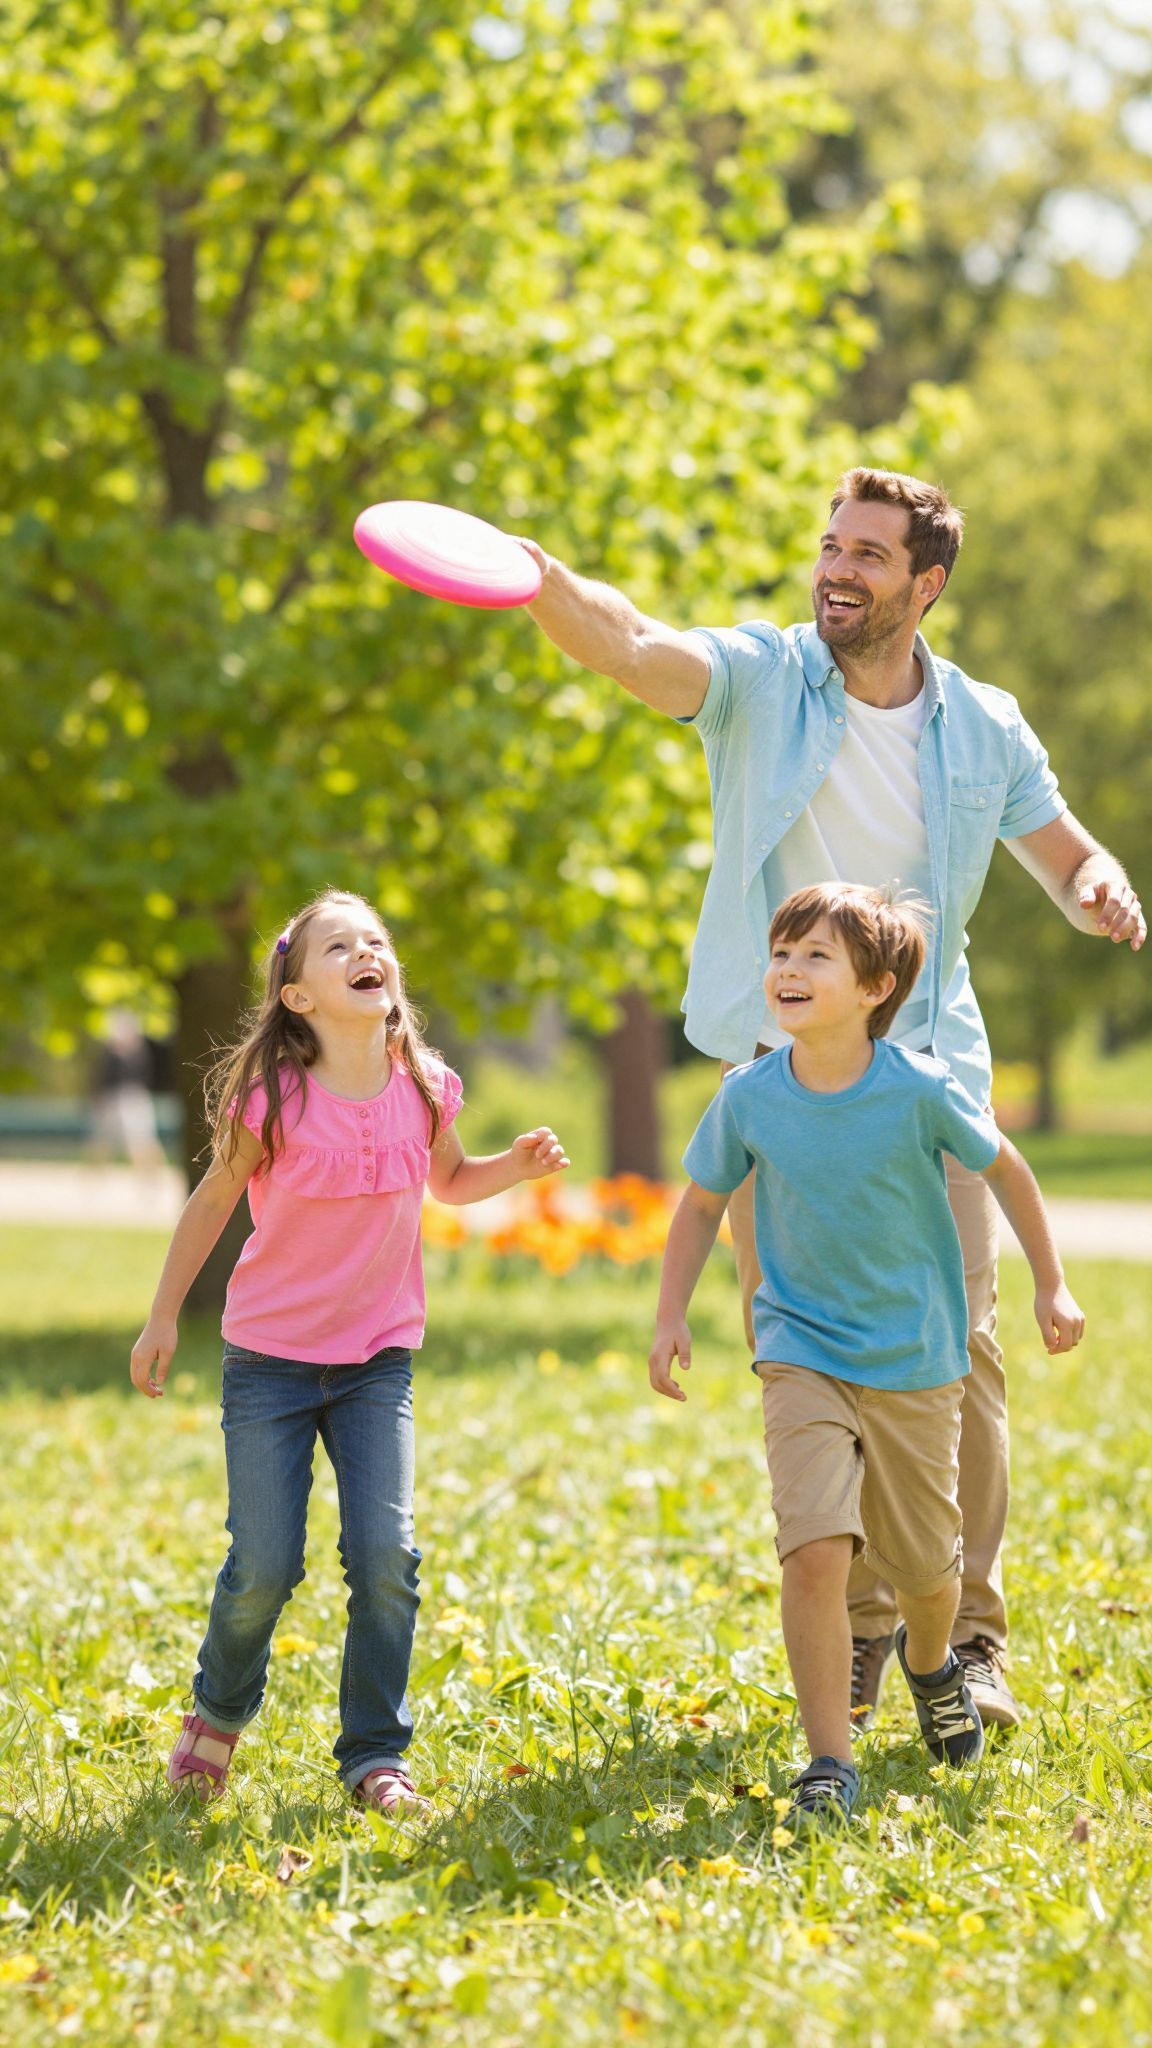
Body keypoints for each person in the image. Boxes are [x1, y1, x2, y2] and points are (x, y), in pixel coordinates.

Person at [517, 468, 1144, 1730]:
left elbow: (1066, 848)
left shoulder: (982, 724)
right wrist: (531, 575)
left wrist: (1101, 888)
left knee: (958, 1361)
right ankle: (861, 1632)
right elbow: (635, 645)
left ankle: (964, 1636)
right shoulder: (760, 679)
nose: (838, 567)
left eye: (869, 552)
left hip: (930, 1081)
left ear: (927, 583)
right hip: (785, 1088)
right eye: (830, 544)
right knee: (809, 1355)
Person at [649, 882, 1084, 1832]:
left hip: (918, 1362)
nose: (789, 971)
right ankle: (828, 1760)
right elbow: (699, 1204)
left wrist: (1052, 1284)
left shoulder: (920, 1088)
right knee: (814, 1550)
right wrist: (670, 1314)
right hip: (800, 1350)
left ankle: (930, 1665)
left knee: (928, 1568)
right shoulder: (748, 1097)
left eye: (815, 957)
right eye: (782, 953)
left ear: (875, 987)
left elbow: (1007, 1167)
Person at [129, 889, 569, 1815]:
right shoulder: (273, 1096)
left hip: (376, 1362)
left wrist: (512, 1169)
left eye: (376, 941)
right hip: (269, 1362)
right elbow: (212, 1202)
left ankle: (375, 1756)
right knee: (264, 1564)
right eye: (339, 947)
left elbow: (446, 1181)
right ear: (298, 997)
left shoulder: (423, 1082)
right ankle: (216, 1716)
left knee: (385, 1556)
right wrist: (164, 1315)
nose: (368, 952)